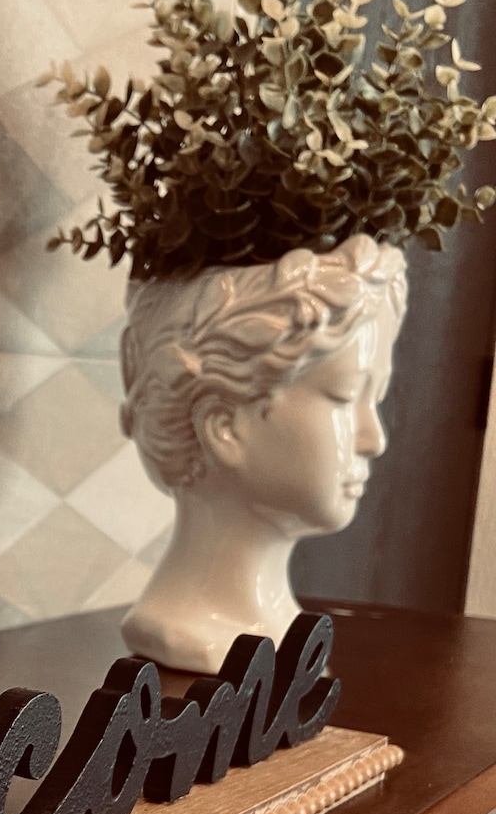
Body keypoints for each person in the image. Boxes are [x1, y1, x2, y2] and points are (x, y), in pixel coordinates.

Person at [119, 235, 408, 672]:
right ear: (225, 426)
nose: (374, 439)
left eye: (377, 397)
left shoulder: (286, 637)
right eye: (345, 396)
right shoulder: (188, 635)